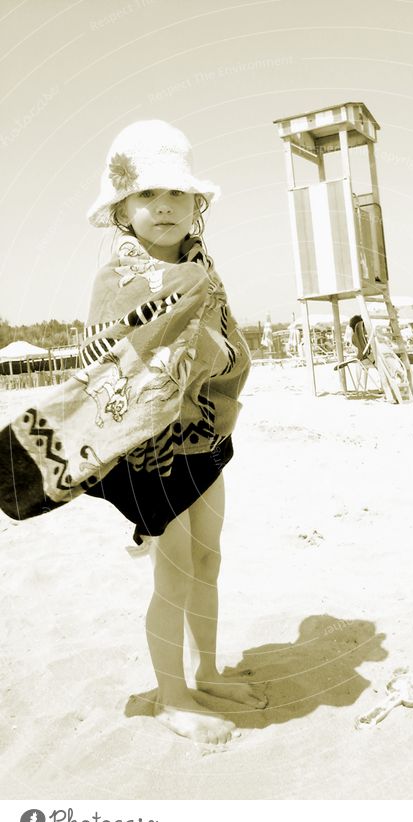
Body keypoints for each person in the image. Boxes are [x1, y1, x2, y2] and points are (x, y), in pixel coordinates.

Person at [0, 120, 266, 744]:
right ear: (122, 207)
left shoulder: (204, 268)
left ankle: (208, 671)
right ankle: (172, 695)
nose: (164, 205)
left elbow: (227, 344)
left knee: (209, 558)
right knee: (172, 570)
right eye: (147, 194)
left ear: (197, 203)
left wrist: (211, 358)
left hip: (203, 432)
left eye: (177, 193)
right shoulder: (118, 278)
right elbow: (107, 364)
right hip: (149, 446)